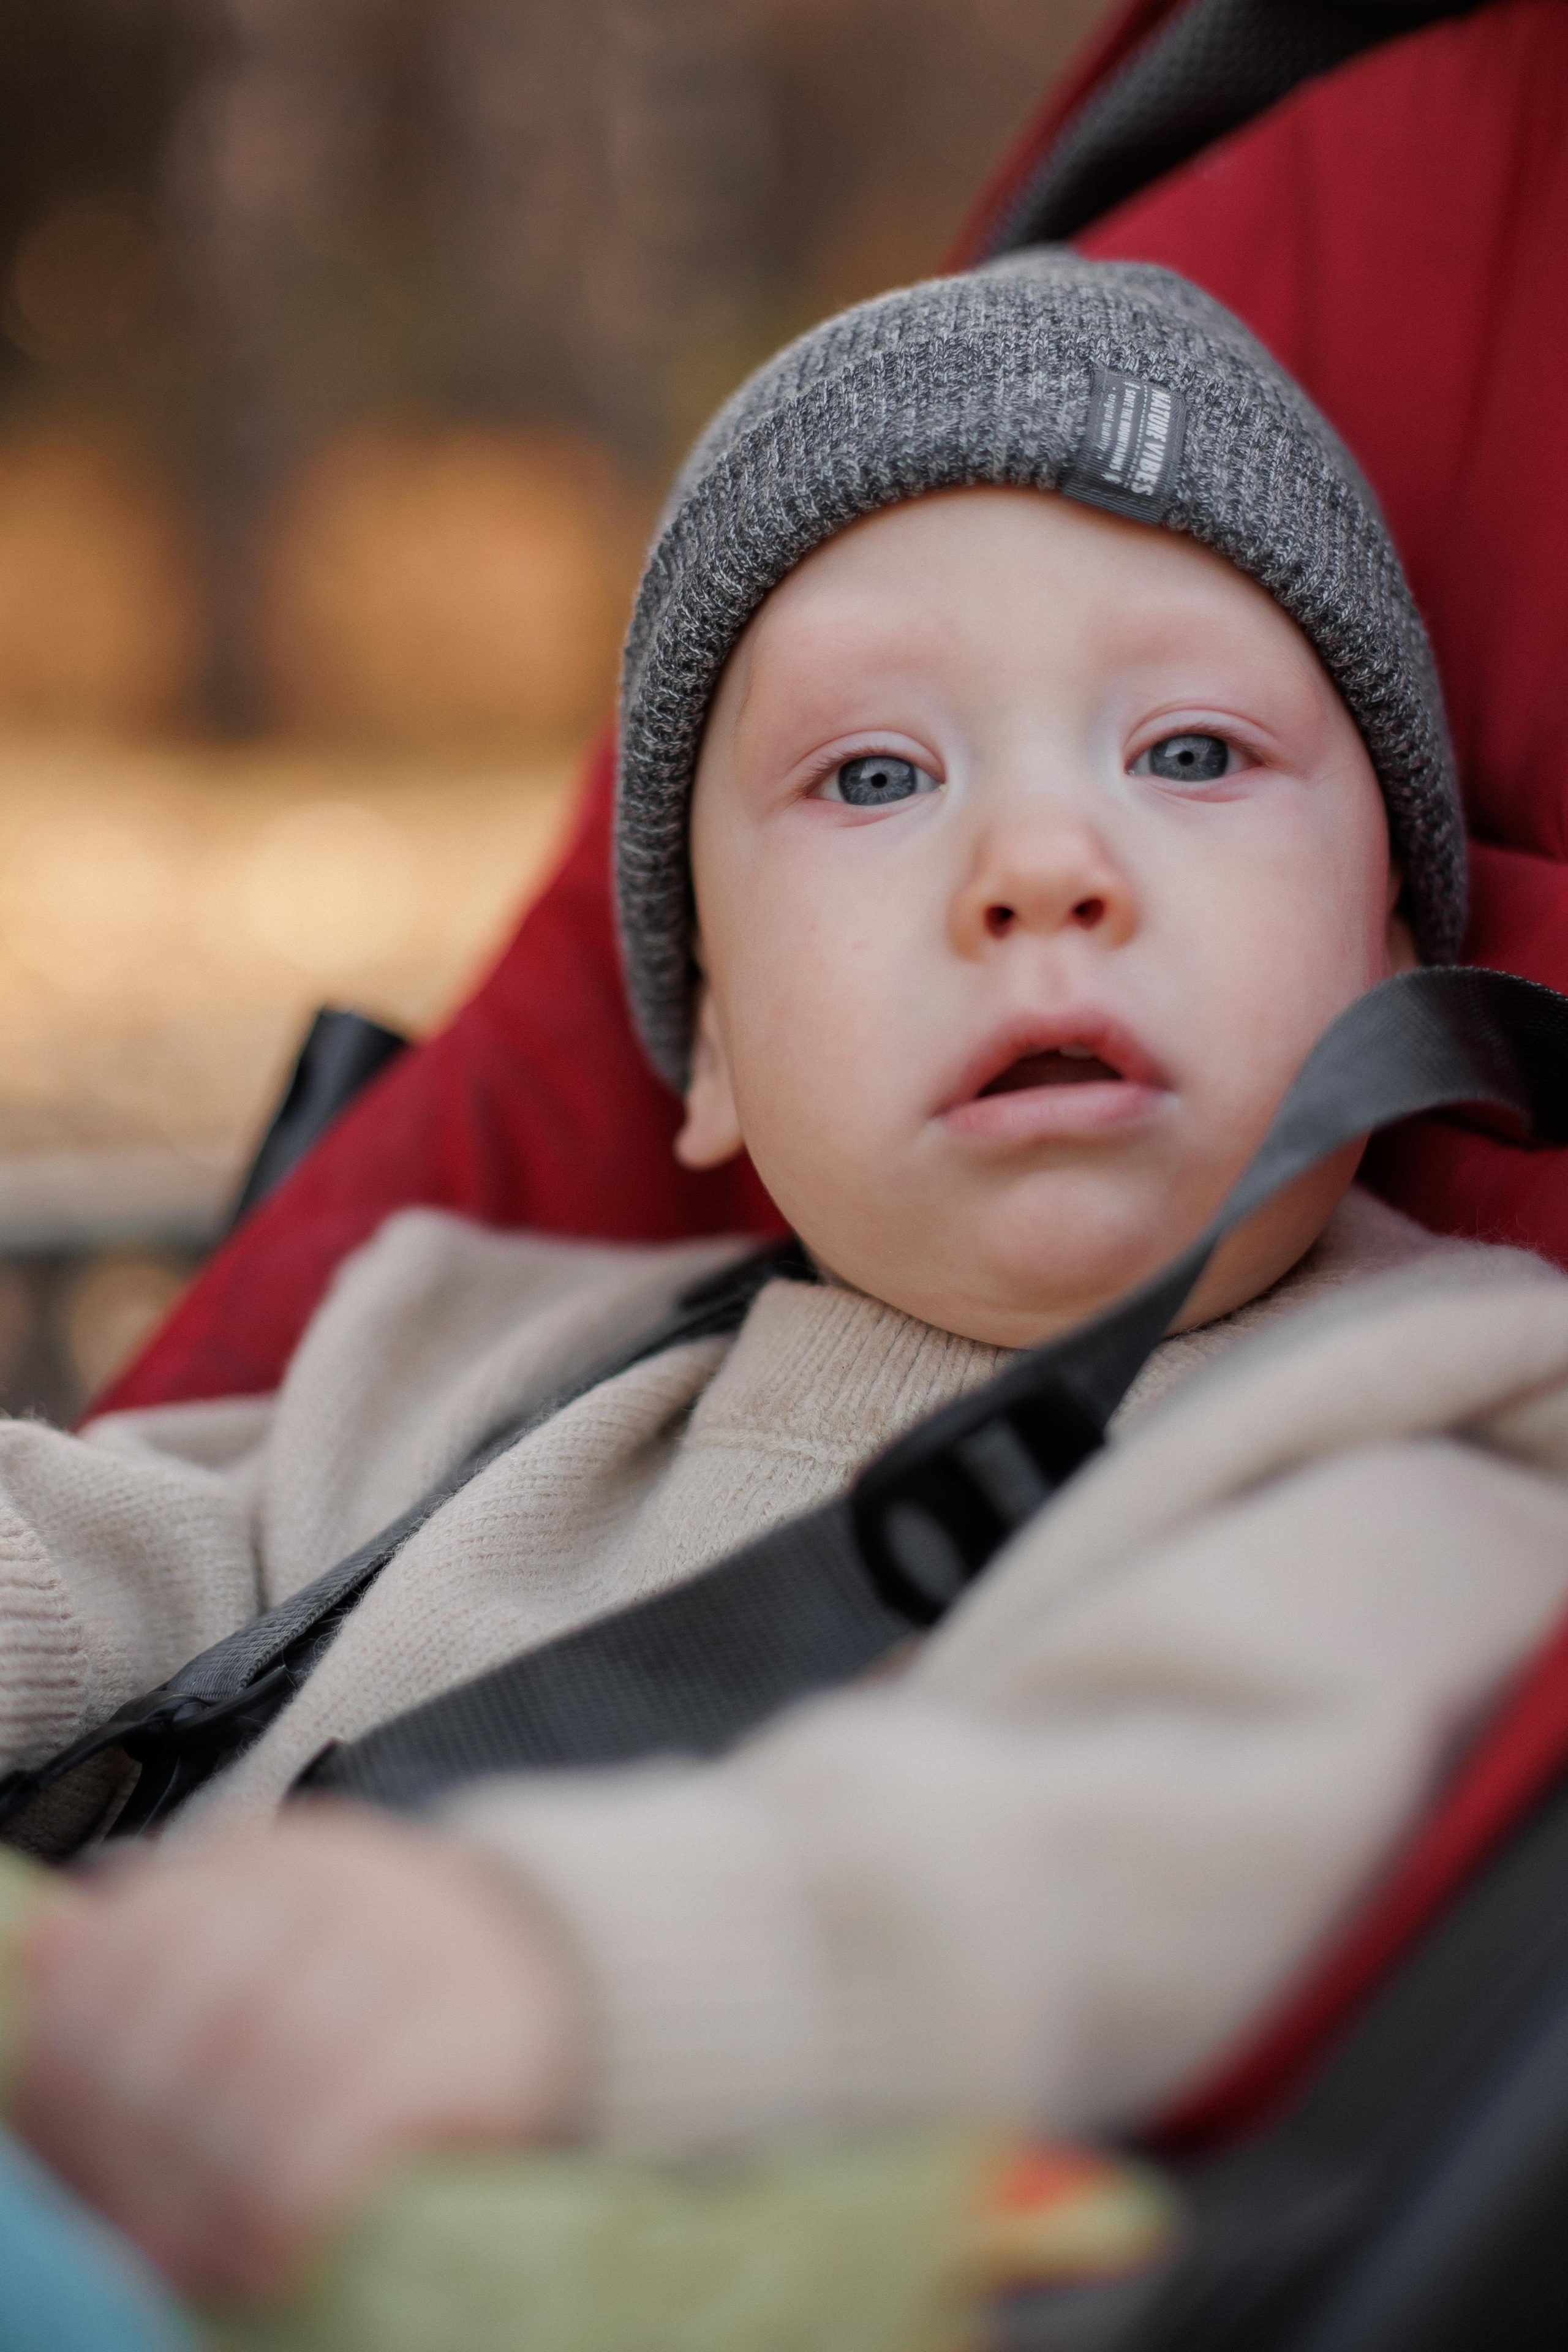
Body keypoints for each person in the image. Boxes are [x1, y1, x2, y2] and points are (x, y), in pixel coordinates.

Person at [9, 251, 1568, 2303]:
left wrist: (552, 1961)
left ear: (1395, 953)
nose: (1041, 866)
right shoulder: (470, 1352)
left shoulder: (1428, 1426)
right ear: (717, 1050)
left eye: (1192, 754)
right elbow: (129, 1547)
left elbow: (1150, 1828)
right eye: (877, 776)